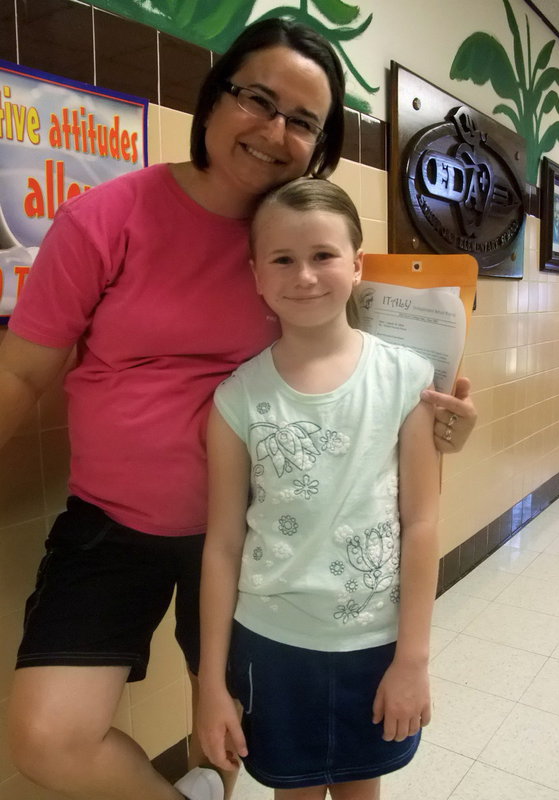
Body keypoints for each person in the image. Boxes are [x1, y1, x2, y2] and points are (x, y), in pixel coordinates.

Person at [0, 17, 475, 800]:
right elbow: (19, 378)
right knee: (47, 737)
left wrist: (448, 418)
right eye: (258, 98)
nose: (274, 130)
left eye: (304, 121)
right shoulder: (103, 221)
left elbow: (391, 375)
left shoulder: (305, 240)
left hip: (271, 535)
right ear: (214, 96)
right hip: (115, 523)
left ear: (320, 146)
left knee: (235, 734)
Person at [197, 177, 440, 800]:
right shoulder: (237, 398)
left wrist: (412, 659)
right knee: (293, 791)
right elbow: (222, 545)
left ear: (358, 265)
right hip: (272, 644)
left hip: (373, 643)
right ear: (256, 274)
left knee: (363, 788)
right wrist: (210, 683)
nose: (304, 275)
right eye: (283, 259)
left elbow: (423, 524)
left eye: (323, 255)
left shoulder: (407, 380)